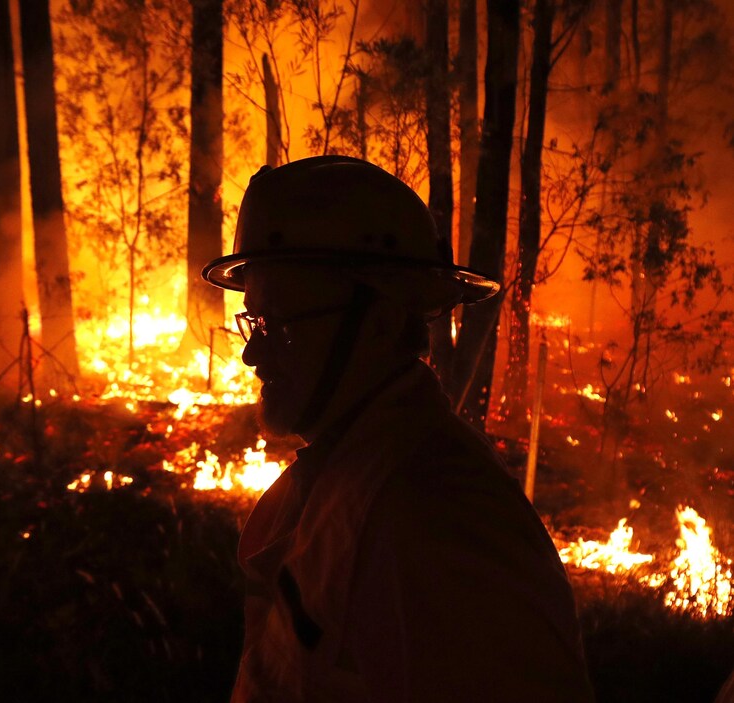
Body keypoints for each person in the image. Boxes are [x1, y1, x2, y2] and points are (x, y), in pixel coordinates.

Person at [201, 156, 595, 702]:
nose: (252, 353)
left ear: (383, 321)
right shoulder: (348, 472)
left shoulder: (439, 514)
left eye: (282, 324)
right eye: (256, 321)